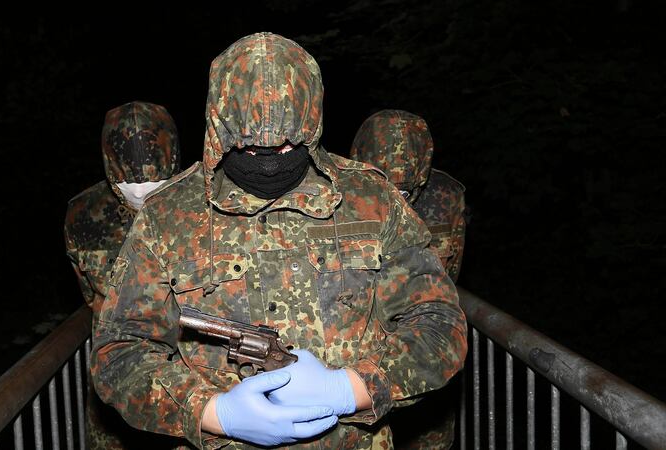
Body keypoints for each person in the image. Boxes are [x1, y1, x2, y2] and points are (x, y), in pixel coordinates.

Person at [91, 32, 467, 449]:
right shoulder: (166, 216)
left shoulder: (373, 201)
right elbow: (118, 352)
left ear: (312, 124)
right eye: (249, 147)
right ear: (220, 129)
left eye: (288, 143)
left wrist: (351, 388)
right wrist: (211, 413)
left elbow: (440, 326)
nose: (269, 158)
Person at [64, 100, 181, 449]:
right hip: (115, 379)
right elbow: (88, 292)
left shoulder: (199, 206)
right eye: (129, 180)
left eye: (156, 179)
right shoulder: (83, 215)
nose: (142, 189)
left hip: (186, 379)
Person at [350, 109, 467, 449]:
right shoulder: (338, 194)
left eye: (404, 189)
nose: (395, 198)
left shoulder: (445, 198)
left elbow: (451, 276)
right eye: (386, 186)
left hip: (423, 358)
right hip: (358, 362)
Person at [351, 110, 466, 282]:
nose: (396, 194)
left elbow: (451, 270)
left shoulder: (445, 196)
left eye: (404, 191)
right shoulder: (342, 194)